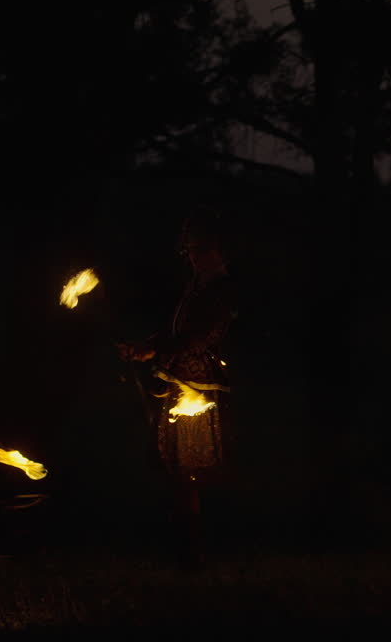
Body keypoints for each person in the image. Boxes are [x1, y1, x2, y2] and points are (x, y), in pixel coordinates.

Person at [116, 206, 237, 568]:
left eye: (199, 251)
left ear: (216, 250)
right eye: (189, 252)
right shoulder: (195, 289)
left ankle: (193, 552)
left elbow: (197, 339)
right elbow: (175, 332)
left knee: (190, 473)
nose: (193, 258)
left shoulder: (222, 291)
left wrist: (157, 349)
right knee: (175, 472)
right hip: (177, 380)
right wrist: (146, 346)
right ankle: (181, 548)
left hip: (197, 388)